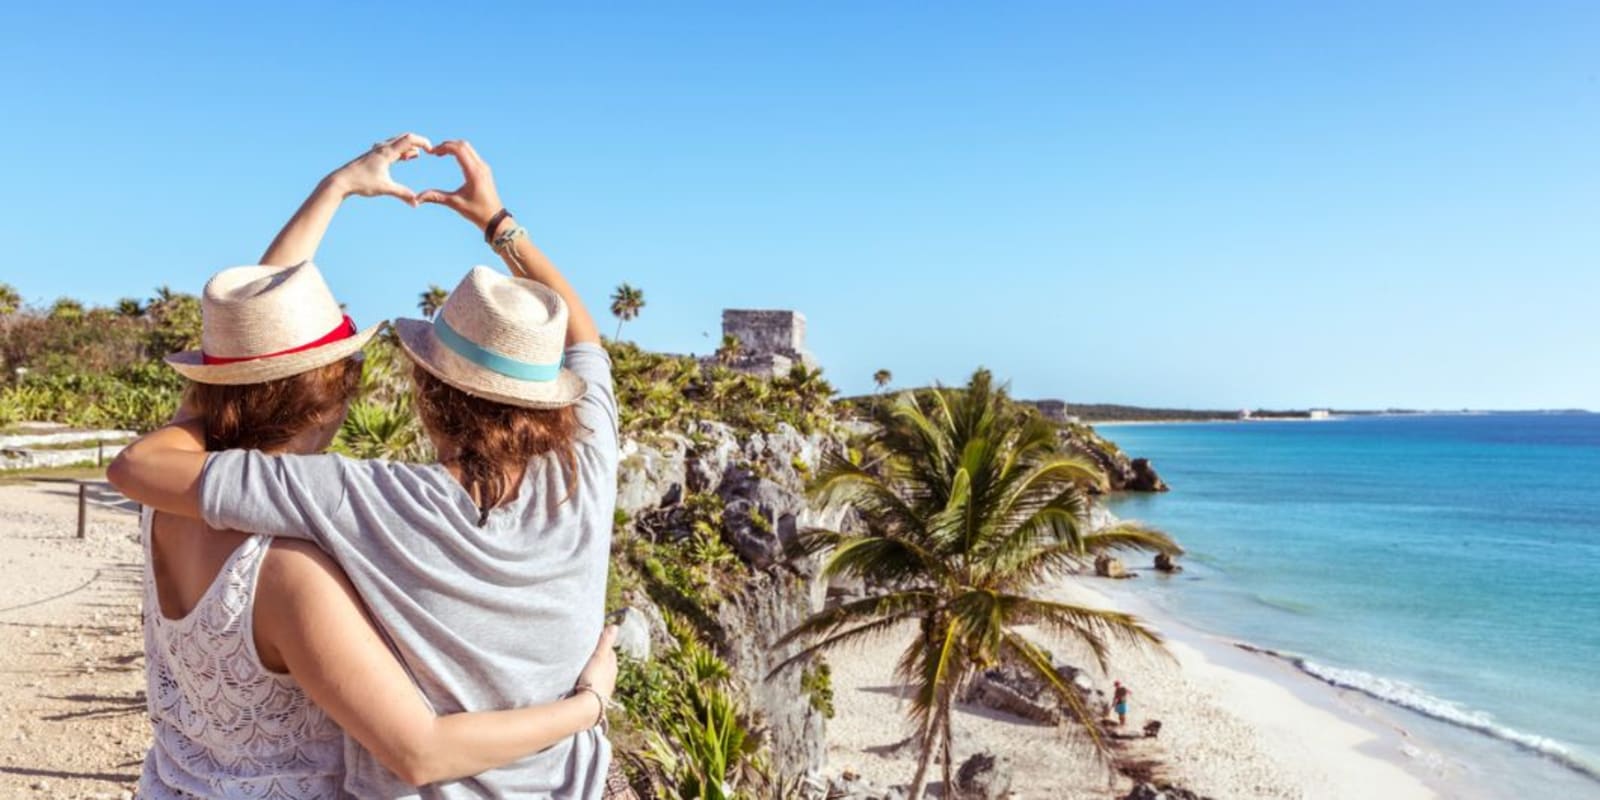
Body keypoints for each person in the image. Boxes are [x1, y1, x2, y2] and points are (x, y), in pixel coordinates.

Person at [110, 134, 624, 799]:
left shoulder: (344, 499)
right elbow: (584, 338)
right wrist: (500, 223)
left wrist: (337, 189)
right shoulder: (588, 464)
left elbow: (159, 445)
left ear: (426, 393)